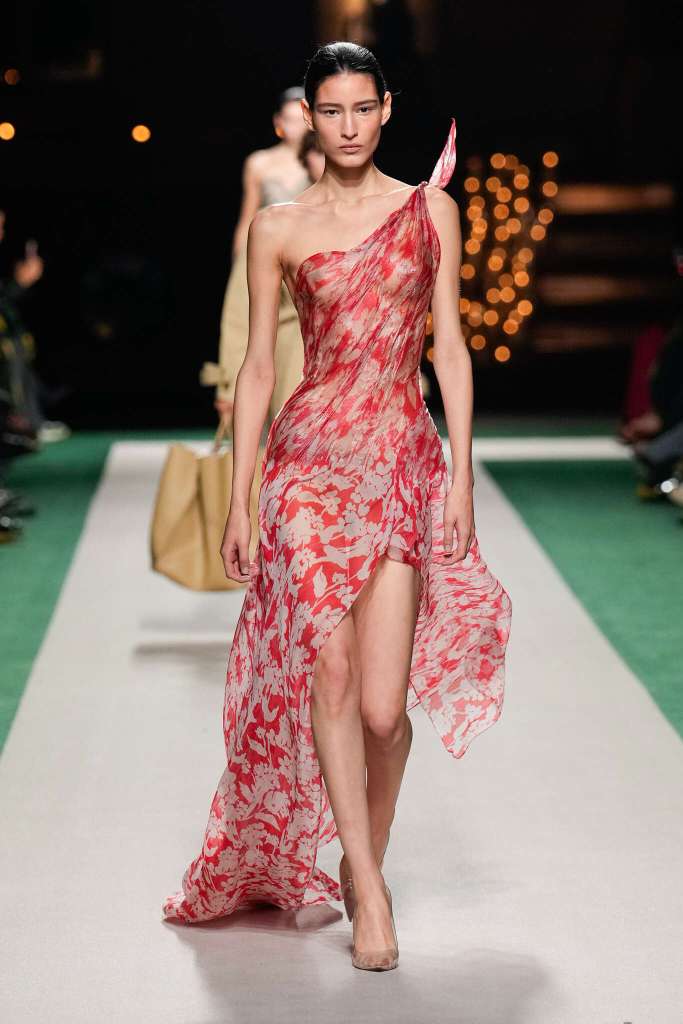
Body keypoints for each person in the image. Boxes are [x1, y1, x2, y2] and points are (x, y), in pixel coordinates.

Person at [163, 42, 512, 972]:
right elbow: (260, 367)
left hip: (398, 460)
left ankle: (367, 861)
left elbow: (448, 347)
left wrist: (461, 474)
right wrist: (241, 501)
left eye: (363, 108)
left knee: (385, 712)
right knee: (330, 679)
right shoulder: (277, 226)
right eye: (332, 110)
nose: (348, 126)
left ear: (386, 108)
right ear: (309, 117)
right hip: (308, 470)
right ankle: (368, 889)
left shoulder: (429, 210)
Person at [210, 87, 313, 431]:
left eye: (302, 118)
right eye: (290, 119)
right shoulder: (260, 162)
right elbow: (248, 214)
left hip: (304, 251)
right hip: (265, 250)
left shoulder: (321, 161)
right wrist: (240, 261)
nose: (297, 126)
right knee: (252, 327)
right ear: (278, 122)